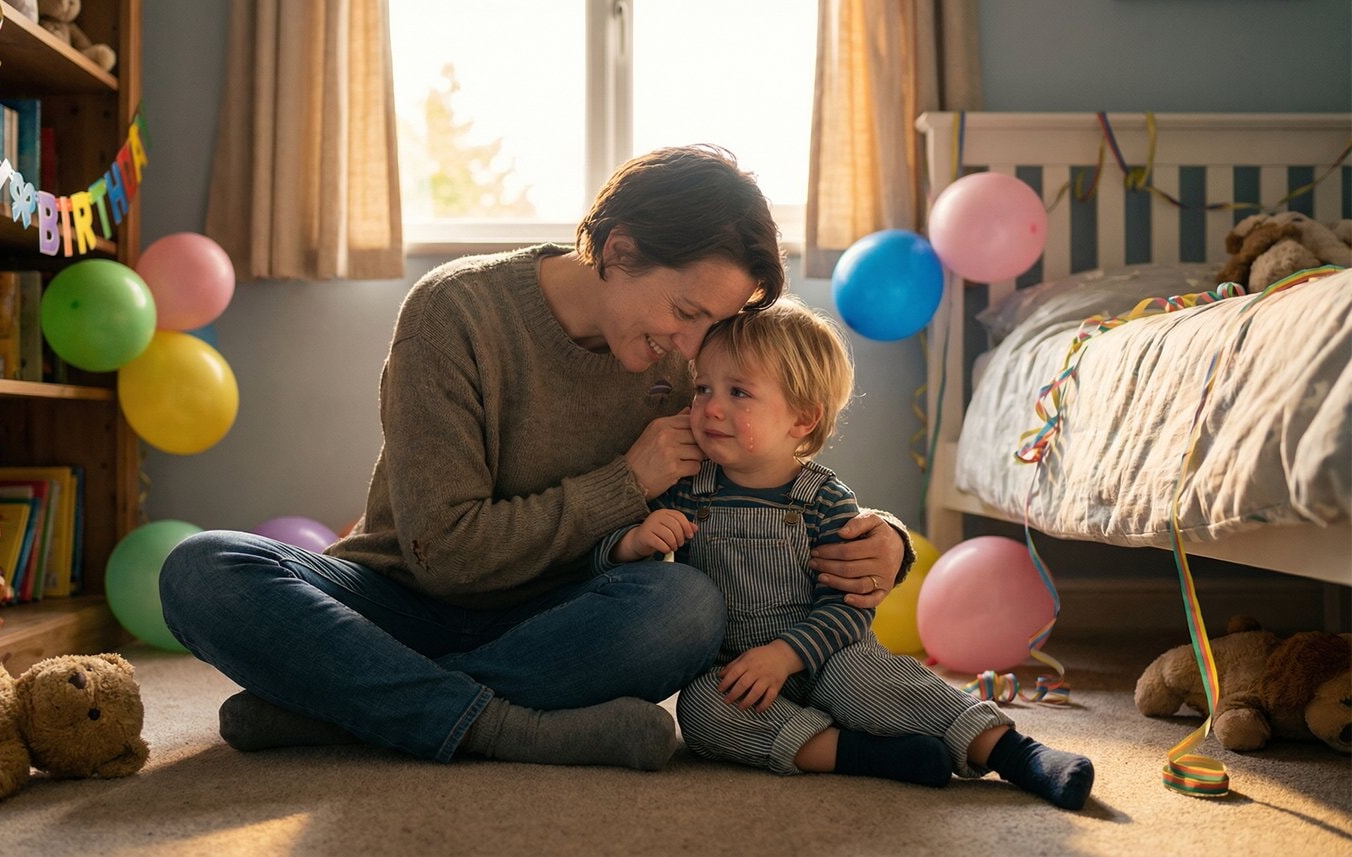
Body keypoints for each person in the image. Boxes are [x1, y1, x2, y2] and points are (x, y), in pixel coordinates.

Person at [159, 145, 914, 771]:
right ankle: (507, 727)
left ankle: (348, 706)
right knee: (200, 569)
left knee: (685, 607)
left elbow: (772, 464)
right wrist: (626, 482)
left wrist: (885, 534)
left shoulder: (690, 362)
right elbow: (444, 556)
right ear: (618, 251)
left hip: (564, 621)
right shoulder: (453, 313)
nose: (691, 349)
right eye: (686, 313)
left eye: (711, 323)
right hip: (398, 600)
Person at [593, 298, 1094, 809]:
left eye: (738, 392)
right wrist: (634, 542)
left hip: (825, 657)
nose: (710, 407)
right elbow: (621, 579)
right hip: (736, 669)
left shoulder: (824, 499)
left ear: (802, 420)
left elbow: (849, 610)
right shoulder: (682, 487)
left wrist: (784, 656)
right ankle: (868, 755)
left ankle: (1016, 754)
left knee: (870, 677)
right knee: (701, 712)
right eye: (703, 388)